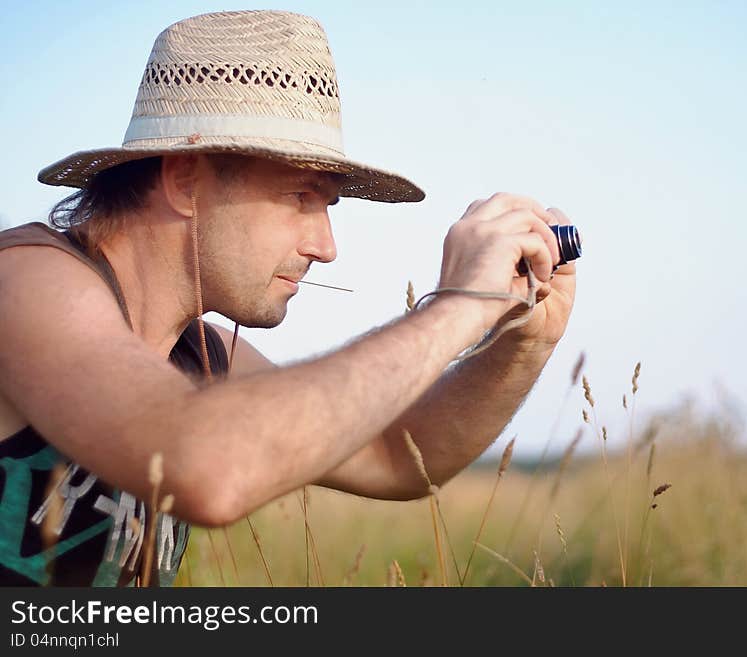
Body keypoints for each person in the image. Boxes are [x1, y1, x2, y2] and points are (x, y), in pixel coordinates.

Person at [0, 10, 576, 586]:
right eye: (301, 196)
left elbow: (402, 458)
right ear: (184, 180)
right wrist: (459, 304)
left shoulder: (198, 355)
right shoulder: (23, 281)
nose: (326, 247)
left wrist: (524, 341)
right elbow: (205, 467)